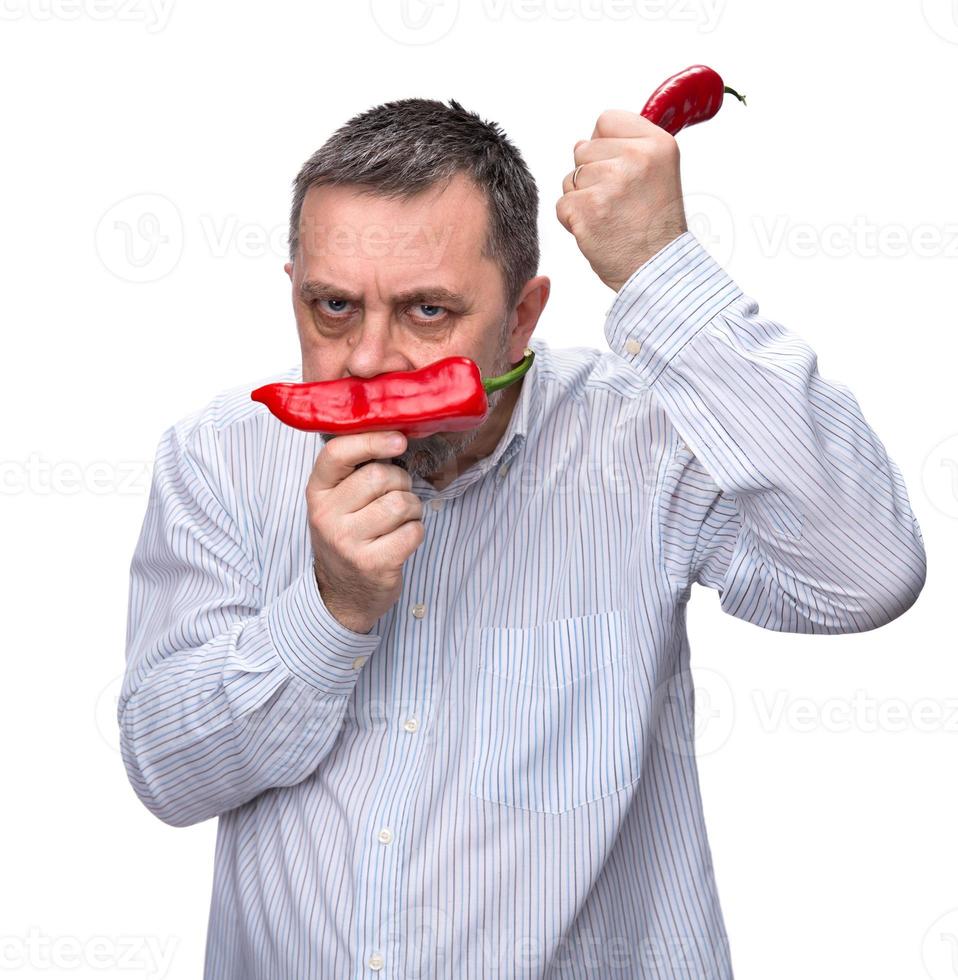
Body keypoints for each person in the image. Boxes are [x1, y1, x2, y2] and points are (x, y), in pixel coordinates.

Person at [119, 98, 927, 979]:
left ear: (524, 316)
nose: (367, 361)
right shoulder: (217, 457)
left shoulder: (641, 440)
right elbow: (167, 773)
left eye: (428, 312)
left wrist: (662, 273)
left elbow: (868, 575)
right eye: (334, 307)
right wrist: (329, 612)